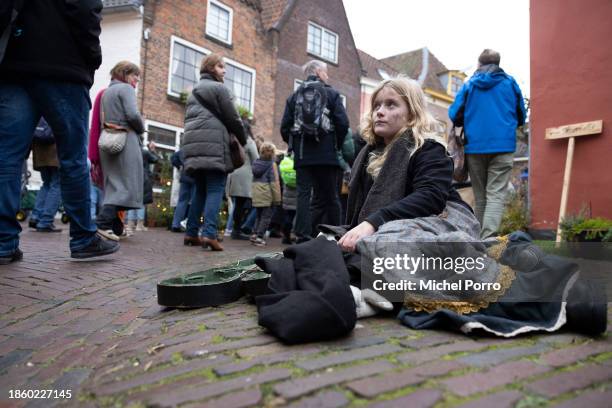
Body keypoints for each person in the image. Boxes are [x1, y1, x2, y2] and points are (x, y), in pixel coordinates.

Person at [0, 0, 119, 264]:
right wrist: (92, 56)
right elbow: (84, 9)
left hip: (15, 63)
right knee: (73, 158)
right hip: (63, 64)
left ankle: (3, 241)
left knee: (7, 158)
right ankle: (83, 238)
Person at [449, 49, 526, 239]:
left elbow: (453, 113)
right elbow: (522, 116)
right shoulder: (510, 83)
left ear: (479, 64)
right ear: (498, 63)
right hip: (503, 146)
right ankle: (488, 239)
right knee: (496, 194)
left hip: (475, 147)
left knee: (481, 196)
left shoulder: (470, 85)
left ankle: (479, 238)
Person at [182, 53, 246, 251]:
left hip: (194, 146)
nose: (224, 70)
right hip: (214, 146)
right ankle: (209, 234)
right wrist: (242, 139)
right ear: (211, 68)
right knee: (215, 190)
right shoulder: (219, 89)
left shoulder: (193, 92)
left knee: (200, 190)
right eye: (220, 66)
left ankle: (192, 232)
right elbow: (233, 118)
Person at [280, 59, 349, 243]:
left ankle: (302, 236)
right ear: (318, 72)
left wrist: (294, 144)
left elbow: (285, 127)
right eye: (326, 72)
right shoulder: (332, 94)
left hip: (303, 156)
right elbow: (343, 123)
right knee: (331, 196)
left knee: (304, 195)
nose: (327, 75)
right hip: (327, 155)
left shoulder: (294, 97)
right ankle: (338, 234)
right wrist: (336, 144)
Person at [94, 61, 145, 241]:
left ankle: (115, 227)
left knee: (114, 185)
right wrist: (141, 127)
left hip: (108, 140)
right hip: (125, 141)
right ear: (124, 74)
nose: (136, 82)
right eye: (134, 77)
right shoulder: (126, 89)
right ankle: (102, 223)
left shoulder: (107, 92)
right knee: (126, 186)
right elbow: (132, 115)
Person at [29, 118, 62, 233]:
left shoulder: (38, 107)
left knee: (46, 184)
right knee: (56, 185)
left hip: (40, 154)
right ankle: (46, 221)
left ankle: (36, 217)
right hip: (55, 154)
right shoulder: (57, 107)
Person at [226, 123, 259, 240]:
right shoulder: (249, 142)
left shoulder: (233, 139)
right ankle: (237, 230)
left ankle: (235, 229)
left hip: (233, 174)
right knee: (241, 205)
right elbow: (256, 159)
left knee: (237, 204)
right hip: (245, 177)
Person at [250, 142, 281, 247]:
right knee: (266, 217)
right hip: (267, 195)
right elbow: (274, 183)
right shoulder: (272, 165)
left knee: (259, 216)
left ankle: (254, 234)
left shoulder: (255, 163)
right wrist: (277, 199)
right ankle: (259, 237)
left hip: (257, 193)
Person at [126, 141, 159, 234]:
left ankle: (130, 224)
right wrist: (152, 150)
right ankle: (139, 225)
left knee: (132, 200)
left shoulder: (130, 151)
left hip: (131, 176)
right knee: (141, 201)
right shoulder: (145, 152)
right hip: (143, 177)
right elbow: (156, 160)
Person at [170, 149, 194, 233]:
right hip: (195, 177)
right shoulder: (198, 147)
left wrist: (179, 166)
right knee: (194, 202)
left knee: (182, 201)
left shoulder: (185, 148)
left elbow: (173, 157)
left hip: (185, 176)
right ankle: (190, 225)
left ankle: (175, 225)